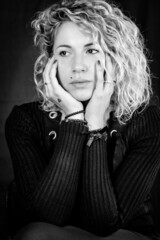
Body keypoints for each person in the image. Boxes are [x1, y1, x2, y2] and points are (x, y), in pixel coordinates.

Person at [5, 0, 160, 239]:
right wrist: (74, 119)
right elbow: (45, 219)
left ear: (116, 57)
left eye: (91, 50)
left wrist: (96, 123)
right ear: (50, 62)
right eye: (64, 52)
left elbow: (103, 223)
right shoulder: (25, 120)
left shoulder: (147, 121)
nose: (77, 66)